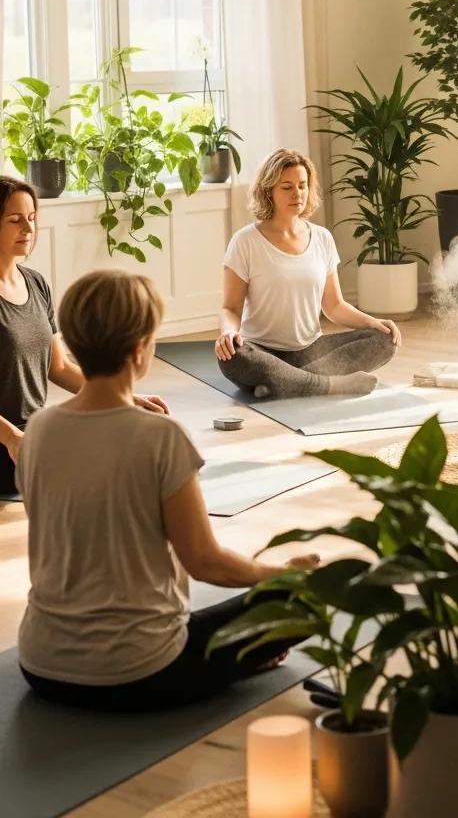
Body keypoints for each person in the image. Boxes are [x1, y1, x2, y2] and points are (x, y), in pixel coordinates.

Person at [17, 269, 319, 712]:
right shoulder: (159, 436)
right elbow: (206, 563)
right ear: (141, 349)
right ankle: (244, 657)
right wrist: (282, 574)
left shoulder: (39, 429)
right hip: (141, 672)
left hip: (41, 666)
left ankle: (241, 658)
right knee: (311, 595)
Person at [0, 176, 167, 495]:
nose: (28, 228)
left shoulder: (35, 283)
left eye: (32, 218)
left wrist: (126, 399)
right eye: (15, 220)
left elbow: (58, 367)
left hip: (35, 432)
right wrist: (11, 438)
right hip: (7, 442)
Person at [216, 149, 400, 399]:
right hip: (260, 351)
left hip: (311, 351)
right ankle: (328, 385)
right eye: (287, 187)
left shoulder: (322, 238)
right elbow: (230, 307)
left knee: (385, 339)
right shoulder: (245, 241)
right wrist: (228, 333)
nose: (297, 194)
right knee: (233, 357)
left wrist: (373, 322)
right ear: (269, 191)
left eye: (302, 186)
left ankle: (284, 383)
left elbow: (334, 306)